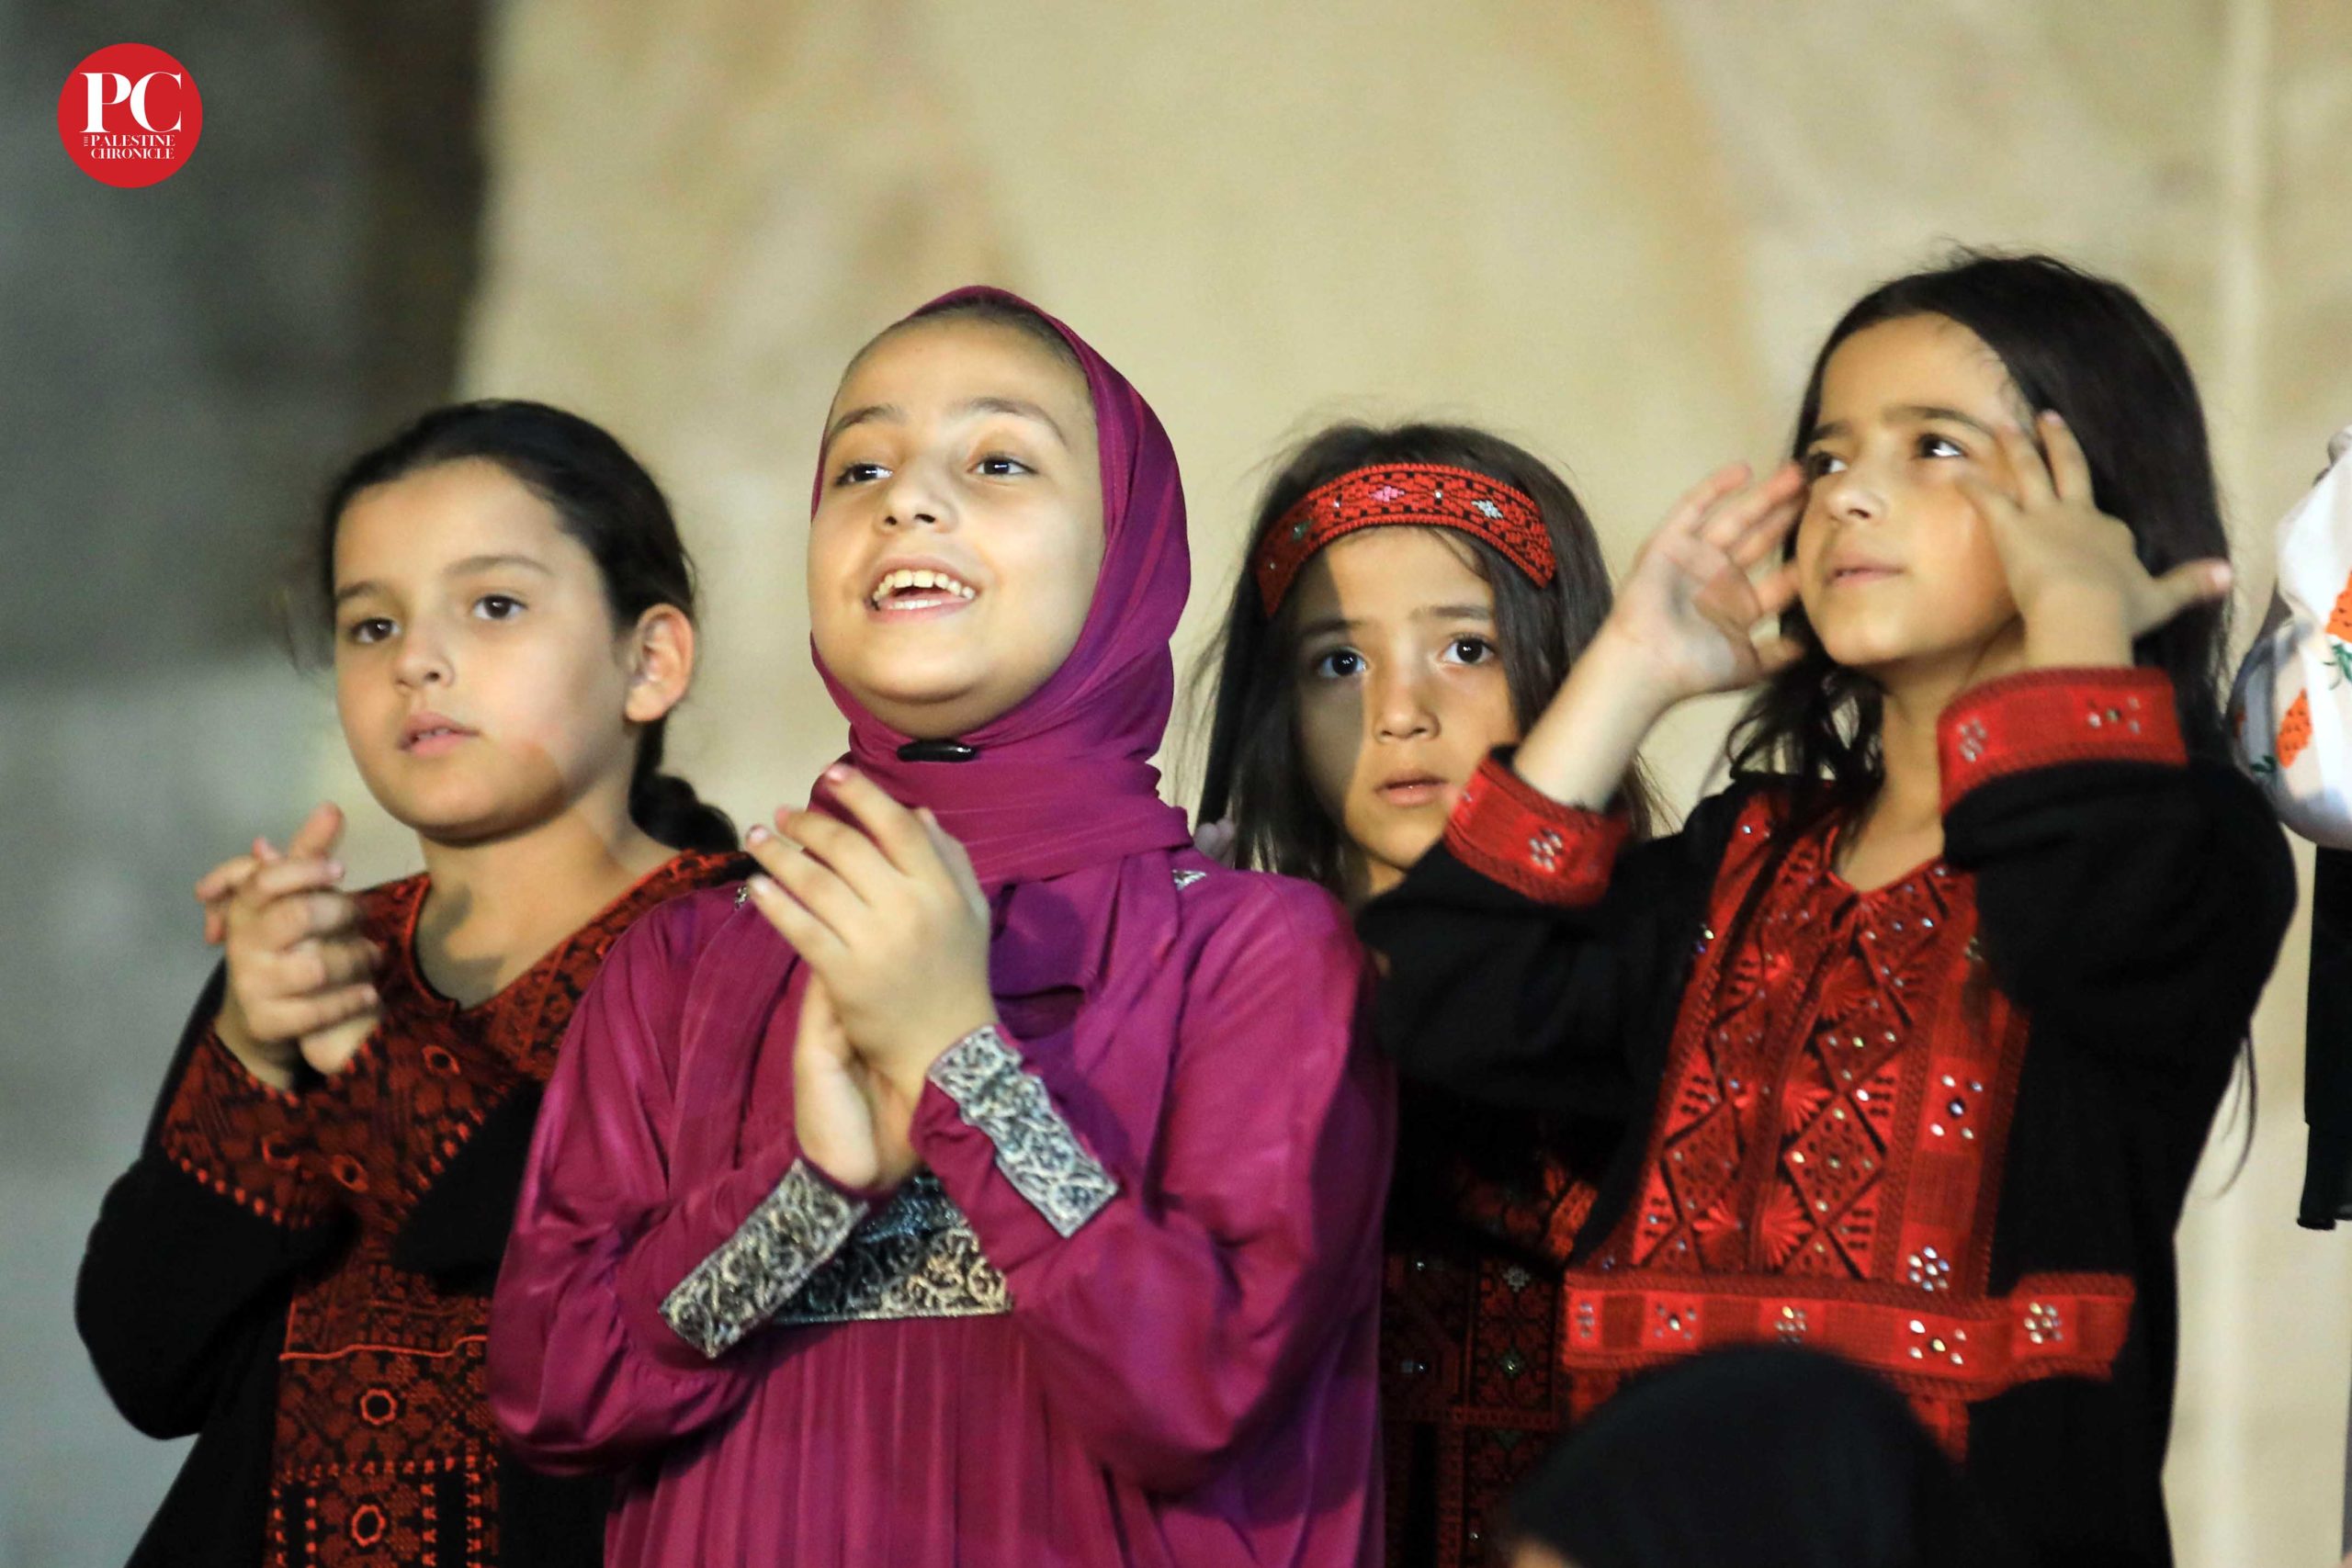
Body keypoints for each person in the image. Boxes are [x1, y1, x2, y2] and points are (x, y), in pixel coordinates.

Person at [1361, 253, 2295, 1564]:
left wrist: (2080, 611)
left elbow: (2079, 926)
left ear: (2092, 500)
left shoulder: (2191, 839)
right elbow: (1431, 998)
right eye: (1828, 452)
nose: (1848, 491)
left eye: (1934, 447)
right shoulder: (1738, 863)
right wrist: (1629, 669)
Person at [488, 289, 1392, 1566]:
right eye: (859, 467)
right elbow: (554, 1390)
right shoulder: (689, 958)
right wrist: (810, 1187)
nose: (906, 501)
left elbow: (1196, 1388)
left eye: (998, 461)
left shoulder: (1252, 952)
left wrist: (962, 1063)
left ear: (1126, 551)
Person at [77, 400, 743, 1567]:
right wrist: (249, 1051)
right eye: (371, 624)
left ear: (650, 661)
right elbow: (150, 1363)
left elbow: (629, 1300)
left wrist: (368, 1059)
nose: (416, 661)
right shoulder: (320, 953)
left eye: (494, 605)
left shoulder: (747, 954)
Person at [1194, 420, 1651, 1564]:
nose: (1400, 711)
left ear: (1568, 667)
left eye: (1465, 649)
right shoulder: (1200, 989)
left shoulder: (1668, 970)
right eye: (1338, 663)